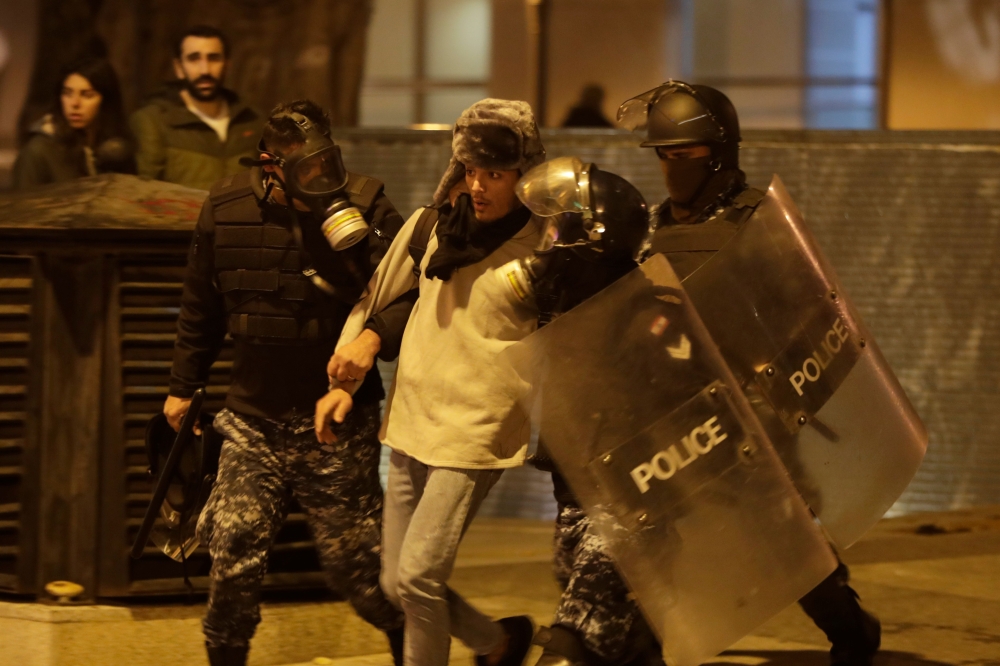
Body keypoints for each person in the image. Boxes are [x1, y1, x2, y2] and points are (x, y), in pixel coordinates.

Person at [634, 81, 881, 666]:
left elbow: (806, 309)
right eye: (663, 155)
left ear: (719, 154)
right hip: (673, 408)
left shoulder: (759, 224)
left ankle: (849, 626)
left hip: (749, 408)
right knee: (648, 531)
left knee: (780, 537)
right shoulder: (649, 228)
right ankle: (639, 641)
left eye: (684, 155)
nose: (672, 168)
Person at [164, 99, 412, 666]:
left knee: (361, 571)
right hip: (251, 418)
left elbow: (412, 291)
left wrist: (371, 338)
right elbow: (200, 303)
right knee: (231, 549)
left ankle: (415, 650)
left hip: (336, 422)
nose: (320, 180)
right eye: (305, 169)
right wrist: (183, 385)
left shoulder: (368, 204)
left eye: (327, 164)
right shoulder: (226, 207)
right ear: (271, 165)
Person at [317, 99, 547, 666]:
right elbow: (379, 298)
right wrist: (343, 381)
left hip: (476, 430)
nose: (479, 185)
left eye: (494, 173)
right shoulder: (431, 228)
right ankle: (497, 643)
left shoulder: (545, 246)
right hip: (413, 420)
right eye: (471, 171)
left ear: (523, 175)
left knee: (419, 577)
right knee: (397, 583)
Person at [497, 157, 666, 666]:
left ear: (595, 238)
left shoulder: (647, 311)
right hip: (574, 486)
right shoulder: (564, 304)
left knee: (574, 635)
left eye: (561, 228)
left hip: (628, 494)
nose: (550, 243)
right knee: (599, 609)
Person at [130, 25, 262, 190]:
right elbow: (143, 192)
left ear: (227, 65)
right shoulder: (154, 121)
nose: (205, 70)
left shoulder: (251, 119)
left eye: (213, 58)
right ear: (179, 68)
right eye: (194, 58)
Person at [13, 57, 135, 190]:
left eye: (87, 95)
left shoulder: (115, 148)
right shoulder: (39, 151)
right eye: (67, 93)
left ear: (106, 100)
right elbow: (23, 205)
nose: (74, 103)